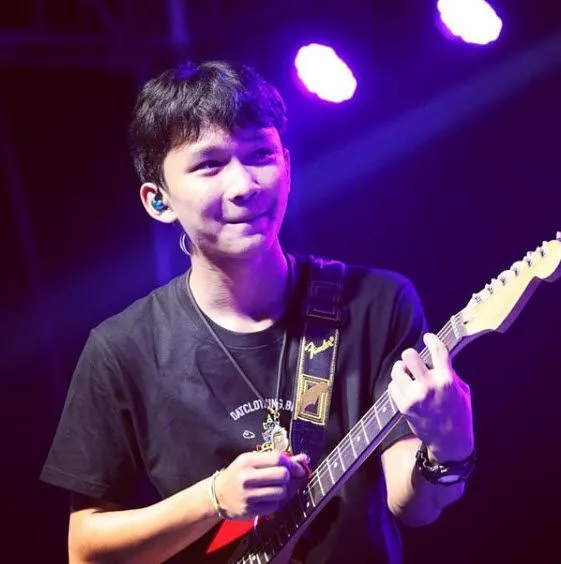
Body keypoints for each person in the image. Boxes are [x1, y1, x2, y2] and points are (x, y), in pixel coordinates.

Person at [40, 60, 475, 563]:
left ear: (287, 166)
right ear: (158, 201)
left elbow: (412, 506)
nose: (245, 184)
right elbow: (86, 551)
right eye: (209, 165)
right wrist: (214, 498)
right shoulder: (122, 349)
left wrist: (450, 443)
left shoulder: (377, 303)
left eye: (260, 155)